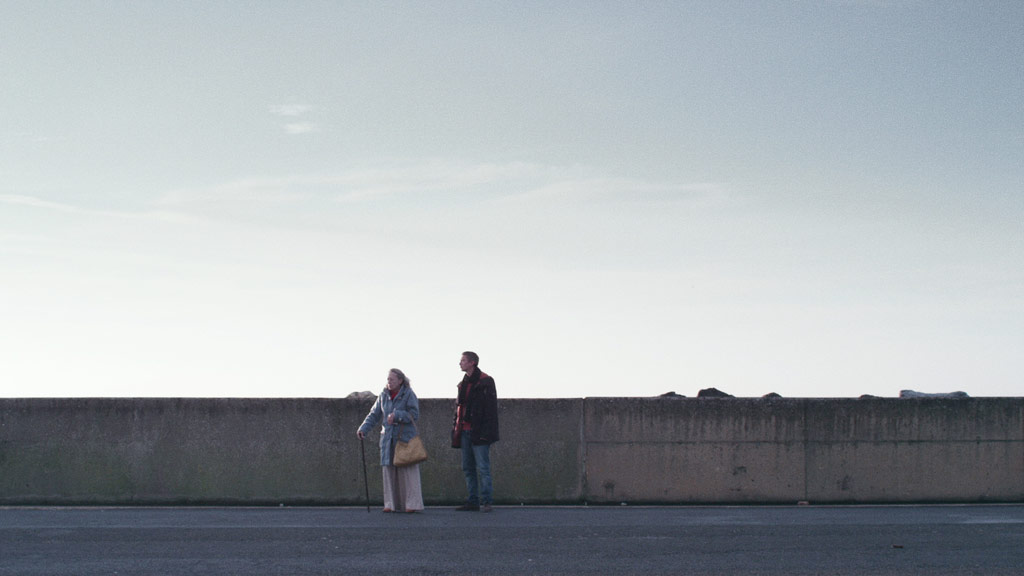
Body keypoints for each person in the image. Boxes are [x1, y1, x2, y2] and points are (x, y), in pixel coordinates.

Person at [357, 368, 424, 513]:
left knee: (408, 471)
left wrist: (397, 416)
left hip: (405, 437)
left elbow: (414, 415)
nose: (389, 382)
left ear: (400, 381)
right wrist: (363, 429)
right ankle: (391, 504)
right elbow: (374, 414)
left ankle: (412, 504)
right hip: (388, 437)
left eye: (392, 379)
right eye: (388, 379)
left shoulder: (409, 394)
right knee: (389, 470)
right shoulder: (383, 395)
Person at [451, 351, 499, 512]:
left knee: (483, 467)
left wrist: (486, 433)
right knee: (468, 467)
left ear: (472, 362)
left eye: (463, 360)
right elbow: (459, 408)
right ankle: (473, 500)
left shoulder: (485, 381)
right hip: (464, 430)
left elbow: (490, 410)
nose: (460, 363)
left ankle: (486, 501)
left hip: (479, 431)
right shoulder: (463, 384)